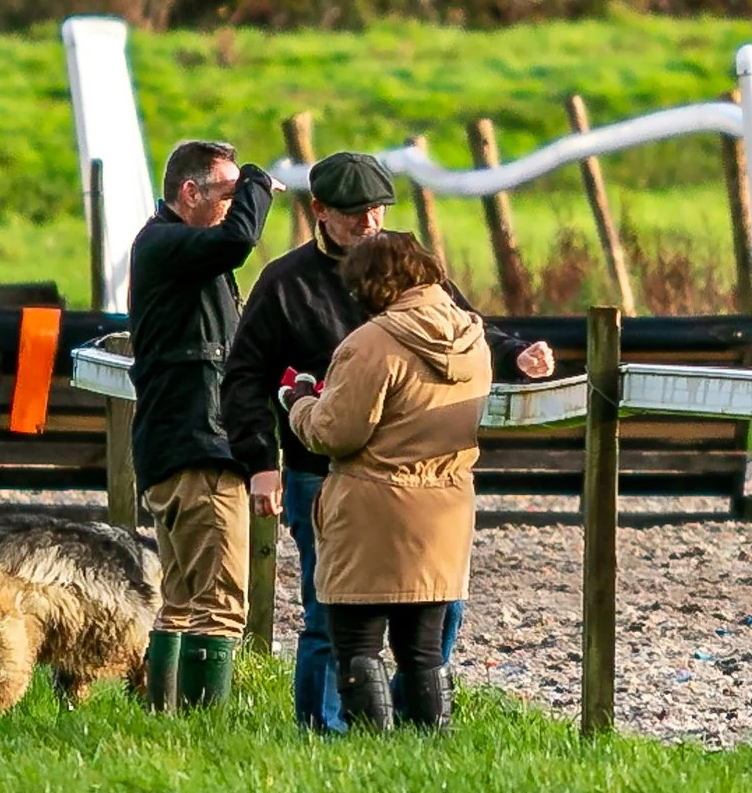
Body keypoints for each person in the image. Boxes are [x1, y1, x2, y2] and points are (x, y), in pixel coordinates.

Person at [223, 151, 552, 734]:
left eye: (376, 210)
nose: (368, 222)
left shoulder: (411, 273)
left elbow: (463, 328)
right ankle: (328, 731)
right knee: (330, 615)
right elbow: (245, 376)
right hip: (322, 472)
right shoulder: (285, 283)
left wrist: (515, 353)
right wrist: (260, 462)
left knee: (429, 615)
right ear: (319, 210)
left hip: (409, 470)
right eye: (354, 212)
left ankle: (394, 727)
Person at [283, 232, 488, 729]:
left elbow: (336, 433)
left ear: (373, 283)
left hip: (373, 511)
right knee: (423, 649)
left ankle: (371, 747)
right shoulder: (472, 338)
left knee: (357, 644)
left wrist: (299, 404)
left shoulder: (372, 343)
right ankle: (431, 744)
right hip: (445, 510)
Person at [128, 137, 278, 710]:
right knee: (219, 606)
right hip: (200, 449)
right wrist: (258, 182)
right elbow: (237, 241)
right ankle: (201, 729)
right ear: (189, 193)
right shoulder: (169, 244)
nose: (236, 206)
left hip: (170, 444)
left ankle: (163, 717)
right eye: (228, 194)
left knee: (180, 602)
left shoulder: (166, 248)